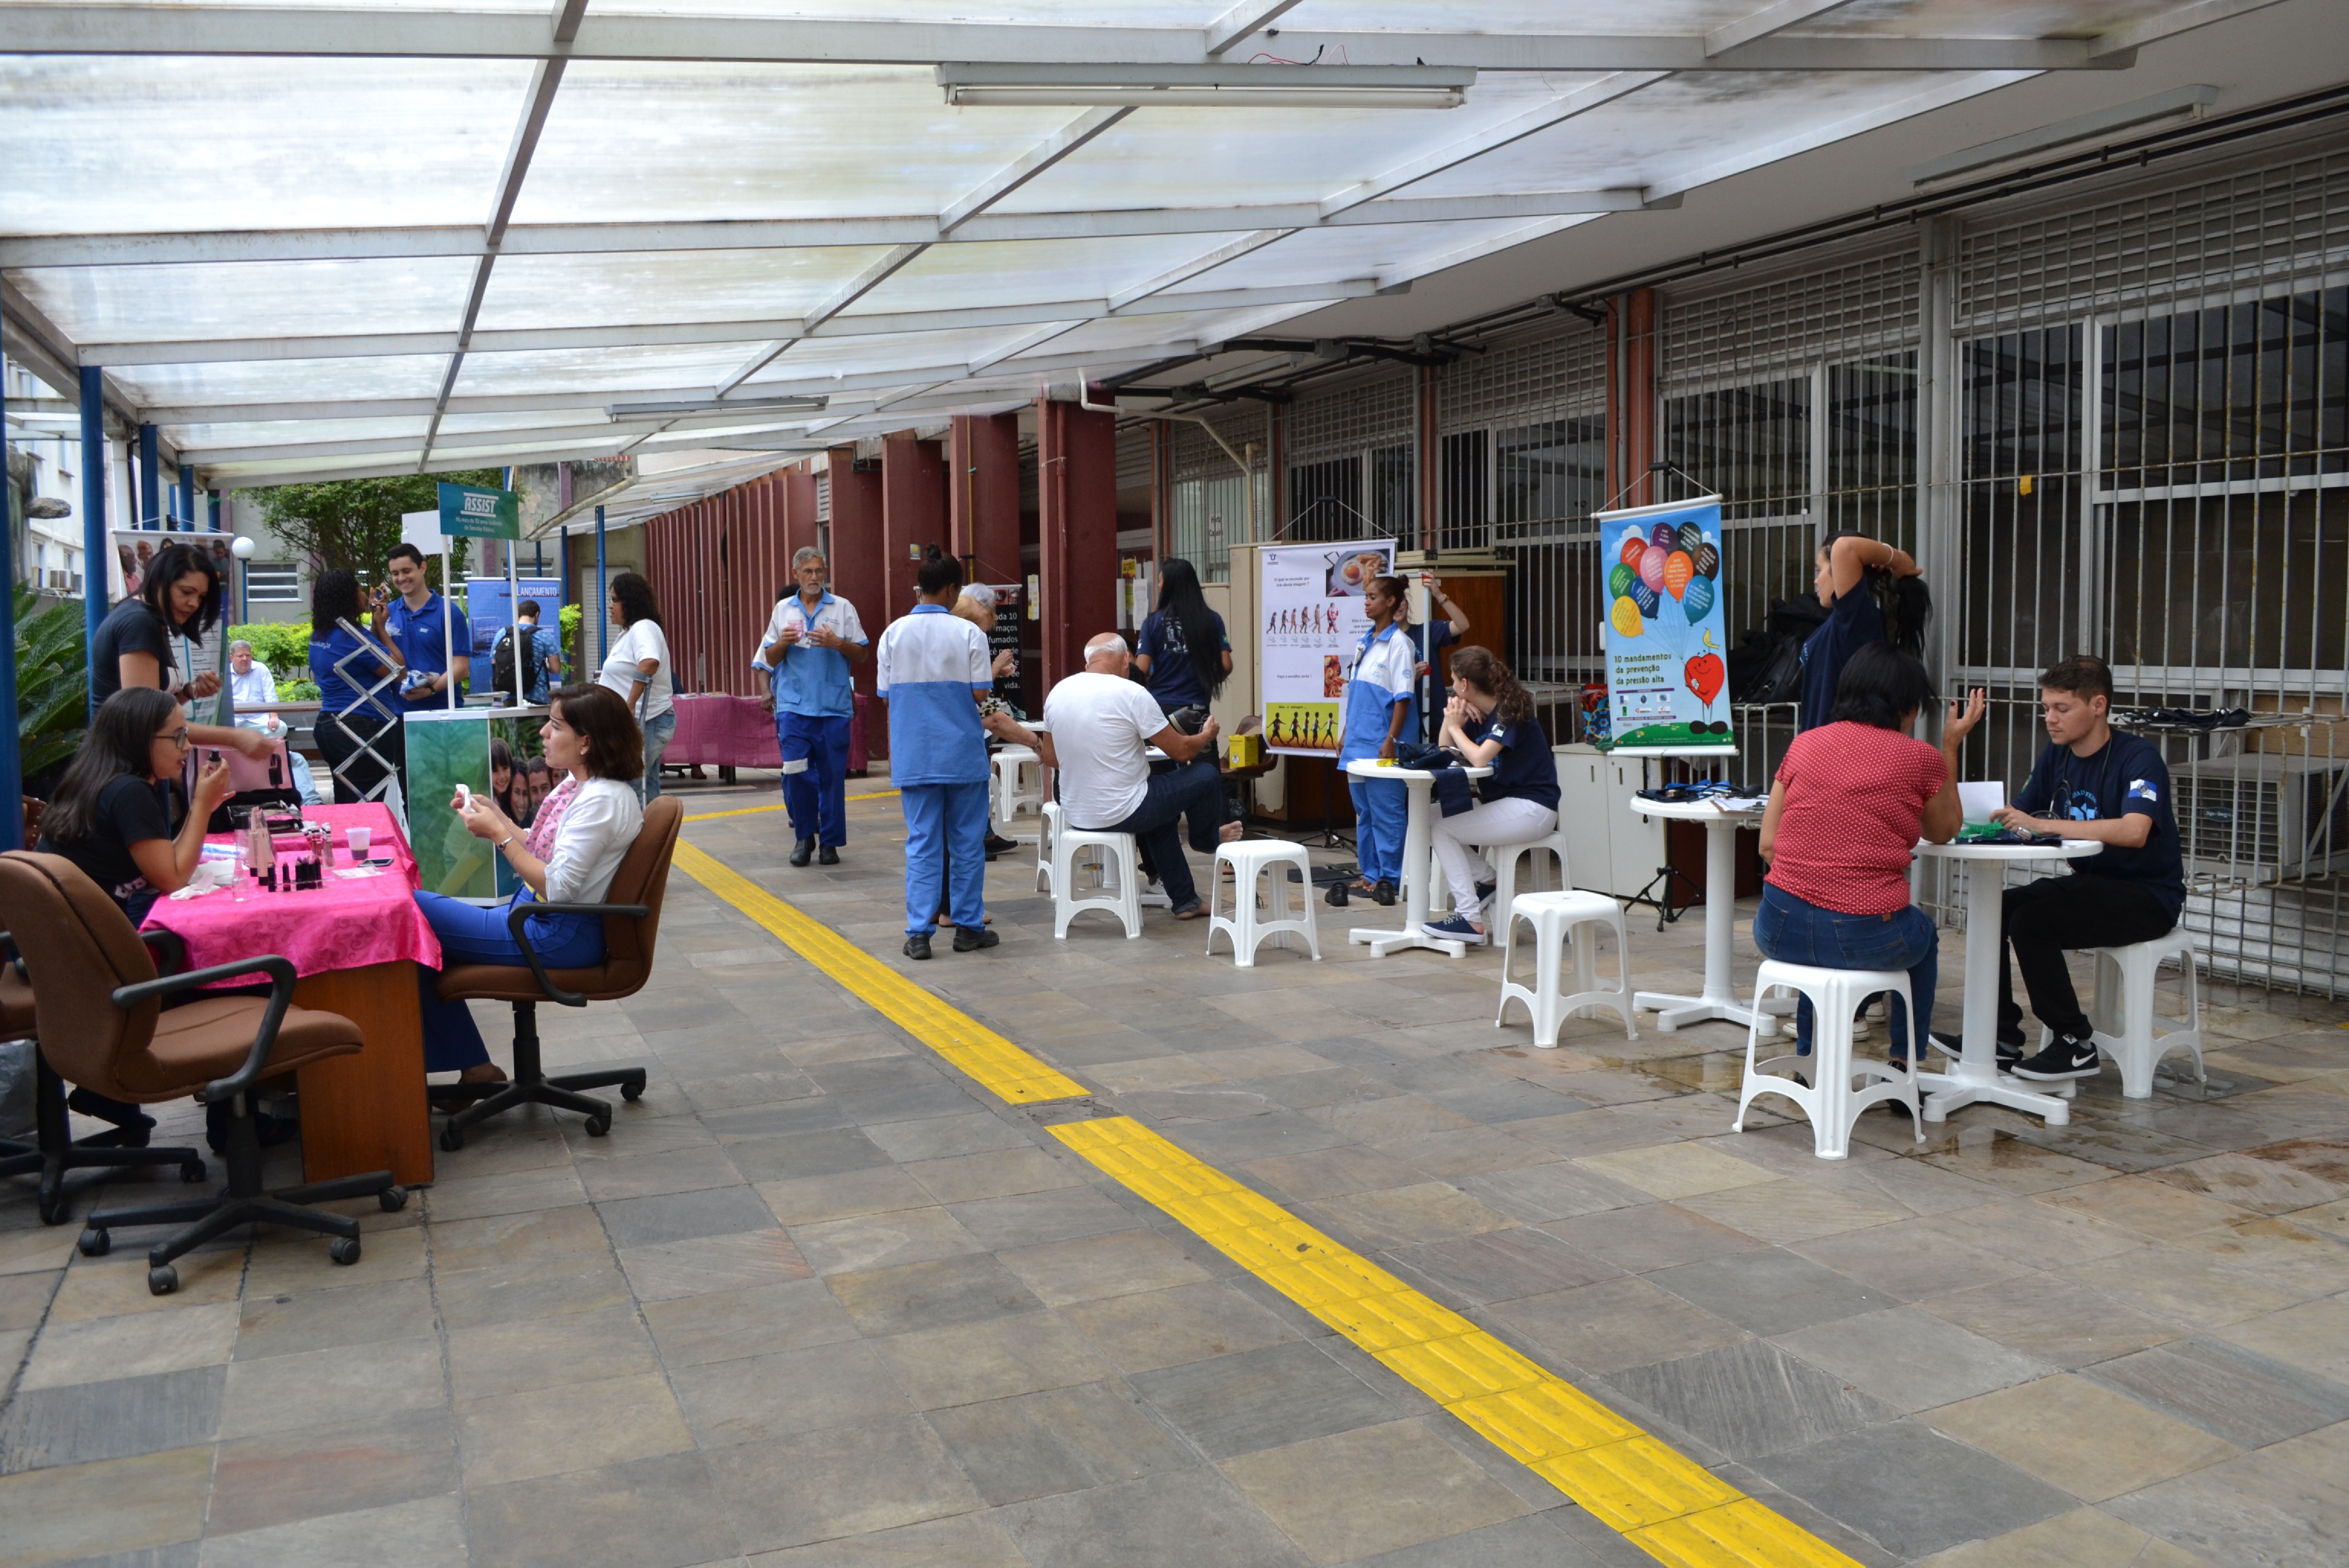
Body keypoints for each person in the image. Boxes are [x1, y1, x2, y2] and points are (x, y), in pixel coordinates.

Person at [1755, 644, 1979, 1065]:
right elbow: (1944, 831)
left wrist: (1815, 883)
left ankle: (1809, 1062)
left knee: (1816, 951)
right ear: (1907, 706)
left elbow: (1768, 844)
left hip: (1777, 928)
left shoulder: (1804, 744)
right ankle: (1904, 1061)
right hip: (1865, 933)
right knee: (1924, 934)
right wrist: (1950, 747)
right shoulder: (1919, 757)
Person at [413, 685, 645, 1088]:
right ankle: (472, 1067)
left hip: (555, 932)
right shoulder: (583, 787)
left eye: (555, 725)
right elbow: (543, 849)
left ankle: (467, 1067)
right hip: (539, 919)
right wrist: (497, 817)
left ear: (586, 742)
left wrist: (499, 836)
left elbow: (557, 886)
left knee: (410, 908)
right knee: (415, 927)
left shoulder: (602, 801)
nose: (543, 733)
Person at [34, 690, 241, 1139]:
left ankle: (110, 1092)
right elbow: (172, 878)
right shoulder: (130, 792)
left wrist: (203, 809)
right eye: (178, 735)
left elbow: (163, 861)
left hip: (56, 952)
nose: (187, 745)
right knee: (229, 971)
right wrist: (201, 806)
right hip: (95, 962)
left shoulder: (96, 780)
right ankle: (236, 1124)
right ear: (141, 739)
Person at [1977, 653, 2186, 1081]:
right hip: (2091, 884)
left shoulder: (2139, 757)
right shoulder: (2057, 755)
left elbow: (2135, 830)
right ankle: (1999, 1037)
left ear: (2098, 705)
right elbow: (2022, 814)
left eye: (2062, 708)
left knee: (2032, 922)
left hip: (2148, 896)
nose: (2050, 719)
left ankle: (2075, 1042)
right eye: (2046, 708)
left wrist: (2045, 825)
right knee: (1994, 910)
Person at [986, 633, 1238, 922]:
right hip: (1125, 811)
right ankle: (1206, 839)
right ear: (1126, 659)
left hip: (1077, 812)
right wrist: (1206, 736)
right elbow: (1181, 752)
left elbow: (1053, 759)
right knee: (1206, 773)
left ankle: (1186, 901)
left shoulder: (1058, 692)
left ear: (1089, 662)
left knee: (1162, 818)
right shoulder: (1132, 693)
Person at [874, 555, 997, 961]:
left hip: (915, 755)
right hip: (962, 753)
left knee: (923, 843)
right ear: (951, 590)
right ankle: (969, 927)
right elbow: (980, 694)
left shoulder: (893, 634)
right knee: (967, 844)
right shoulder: (969, 633)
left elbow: (886, 696)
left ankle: (919, 934)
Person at [1420, 647, 1559, 946]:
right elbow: (1445, 752)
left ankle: (1470, 919)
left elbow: (1481, 758)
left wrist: (1456, 728)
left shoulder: (1509, 712)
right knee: (1426, 817)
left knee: (1443, 830)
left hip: (1533, 807)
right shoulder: (1476, 714)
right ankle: (1488, 879)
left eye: (1454, 680)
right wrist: (1451, 720)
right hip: (1502, 804)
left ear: (1465, 684)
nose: (1452, 687)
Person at [89, 541, 270, 762]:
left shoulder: (149, 618)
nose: (194, 604)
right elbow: (147, 720)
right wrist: (236, 737)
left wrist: (188, 692)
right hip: (120, 762)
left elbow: (153, 706)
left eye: (201, 597)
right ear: (160, 582)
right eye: (186, 592)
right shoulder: (139, 623)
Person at [752, 548, 867, 866]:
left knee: (832, 778)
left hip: (832, 708)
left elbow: (862, 654)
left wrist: (837, 644)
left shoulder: (842, 607)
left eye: (819, 571)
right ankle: (804, 837)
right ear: (796, 574)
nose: (814, 577)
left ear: (825, 572)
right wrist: (783, 642)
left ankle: (830, 843)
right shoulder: (783, 610)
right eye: (808, 572)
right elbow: (768, 658)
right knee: (796, 774)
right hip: (794, 708)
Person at [1333, 574, 1417, 906]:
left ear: (1391, 602)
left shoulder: (1400, 644)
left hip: (1382, 745)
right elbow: (1356, 695)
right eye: (1365, 597)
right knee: (1364, 812)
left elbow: (1403, 698)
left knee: (1387, 812)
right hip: (1357, 743)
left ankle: (1390, 878)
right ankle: (1370, 874)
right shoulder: (1364, 642)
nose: (1366, 603)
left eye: (1373, 597)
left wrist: (1391, 739)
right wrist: (1345, 733)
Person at [1800, 532, 1931, 733]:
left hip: (1840, 748)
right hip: (1818, 746)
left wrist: (1898, 560)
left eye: (1820, 570)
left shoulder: (1856, 619)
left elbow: (1845, 547)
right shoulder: (1844, 621)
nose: (1816, 581)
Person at [308, 570, 405, 805]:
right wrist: (382, 628)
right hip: (361, 726)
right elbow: (398, 671)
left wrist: (373, 627)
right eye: (360, 590)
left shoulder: (321, 635)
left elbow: (368, 657)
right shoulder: (351, 638)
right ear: (348, 597)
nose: (365, 596)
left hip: (330, 725)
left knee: (347, 803)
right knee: (366, 805)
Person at [599, 572, 676, 805]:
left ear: (630, 601)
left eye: (615, 600)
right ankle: (653, 827)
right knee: (645, 786)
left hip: (646, 721)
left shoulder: (643, 628)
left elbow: (650, 662)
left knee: (630, 785)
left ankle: (639, 828)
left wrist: (630, 704)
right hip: (640, 723)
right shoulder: (629, 632)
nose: (610, 606)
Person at [372, 542, 469, 709]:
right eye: (395, 574)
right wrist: (377, 623)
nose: (401, 578)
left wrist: (431, 690)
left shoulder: (448, 613)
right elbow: (375, 656)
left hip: (443, 711)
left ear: (422, 568)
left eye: (407, 571)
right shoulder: (388, 613)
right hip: (399, 712)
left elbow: (461, 667)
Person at [1132, 557, 1230, 717]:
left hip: (1160, 708)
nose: (1159, 586)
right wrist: (1207, 680)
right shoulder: (1212, 619)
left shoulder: (1152, 623)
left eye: (1161, 581)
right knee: (1201, 736)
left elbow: (1142, 669)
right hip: (1197, 708)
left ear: (1169, 586)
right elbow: (1226, 665)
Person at [227, 639, 323, 802]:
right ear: (232, 658)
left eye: (248, 656)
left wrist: (274, 716)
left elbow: (270, 695)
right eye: (241, 656)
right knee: (294, 760)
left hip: (259, 720)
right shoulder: (225, 674)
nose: (245, 659)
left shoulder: (261, 669)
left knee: (281, 730)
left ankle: (310, 801)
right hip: (235, 724)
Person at [496, 598, 564, 706]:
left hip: (509, 695)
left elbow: (494, 661)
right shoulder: (544, 635)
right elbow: (556, 669)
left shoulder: (503, 633)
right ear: (537, 615)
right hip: (537, 695)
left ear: (519, 615)